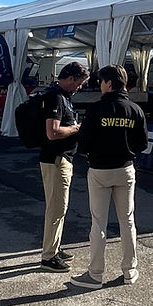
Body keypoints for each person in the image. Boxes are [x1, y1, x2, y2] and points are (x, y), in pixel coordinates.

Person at [69, 64, 148, 289]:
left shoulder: (95, 110)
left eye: (101, 81)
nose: (100, 85)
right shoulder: (135, 109)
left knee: (98, 224)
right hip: (125, 169)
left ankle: (95, 274)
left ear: (109, 83)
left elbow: (83, 144)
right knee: (128, 221)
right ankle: (130, 270)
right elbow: (142, 144)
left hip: (100, 170)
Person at [38, 61, 90, 273]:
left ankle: (55, 247)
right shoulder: (56, 98)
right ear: (70, 79)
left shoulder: (60, 97)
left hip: (60, 158)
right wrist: (76, 128)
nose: (79, 87)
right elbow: (53, 132)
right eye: (79, 83)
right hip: (56, 159)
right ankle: (48, 256)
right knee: (56, 208)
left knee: (59, 207)